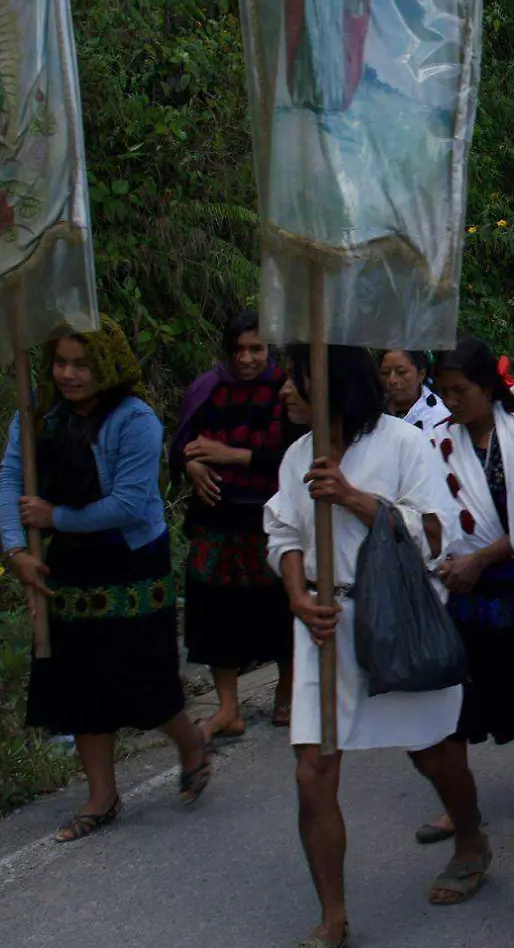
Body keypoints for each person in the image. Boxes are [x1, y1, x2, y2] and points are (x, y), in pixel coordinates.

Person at [267, 345, 490, 948]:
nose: (285, 391)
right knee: (312, 773)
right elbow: (283, 531)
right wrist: (296, 593)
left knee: (435, 754)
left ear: (330, 384)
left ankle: (470, 840)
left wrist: (354, 498)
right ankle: (334, 916)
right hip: (322, 628)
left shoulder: (402, 443)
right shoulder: (296, 455)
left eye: (296, 380)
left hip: (396, 619)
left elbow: (437, 534)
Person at [0, 316, 212, 842]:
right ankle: (102, 795)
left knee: (142, 677)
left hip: (130, 560)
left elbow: (130, 502)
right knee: (78, 676)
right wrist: (16, 551)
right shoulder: (36, 416)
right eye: (61, 362)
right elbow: (9, 479)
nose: (68, 374)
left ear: (107, 366)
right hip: (64, 561)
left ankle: (190, 743)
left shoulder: (135, 419)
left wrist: (54, 518)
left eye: (82, 364)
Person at [411, 338, 514, 846]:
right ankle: (458, 804)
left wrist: (481, 559)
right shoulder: (433, 444)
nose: (450, 401)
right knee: (456, 701)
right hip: (462, 590)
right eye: (443, 391)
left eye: (460, 390)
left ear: (487, 386)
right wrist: (446, 562)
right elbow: (427, 511)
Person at [172, 310, 296, 741]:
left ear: (270, 350)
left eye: (256, 349)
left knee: (281, 604)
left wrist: (231, 455)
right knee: (213, 609)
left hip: (273, 517)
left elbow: (297, 457)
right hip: (217, 517)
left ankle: (287, 689)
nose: (246, 358)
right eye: (239, 349)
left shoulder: (289, 394)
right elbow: (182, 445)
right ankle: (228, 707)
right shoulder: (207, 389)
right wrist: (191, 465)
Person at [378, 349, 442, 430]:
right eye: (385, 373)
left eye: (401, 372)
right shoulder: (372, 409)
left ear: (421, 374)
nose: (392, 380)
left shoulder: (439, 417)